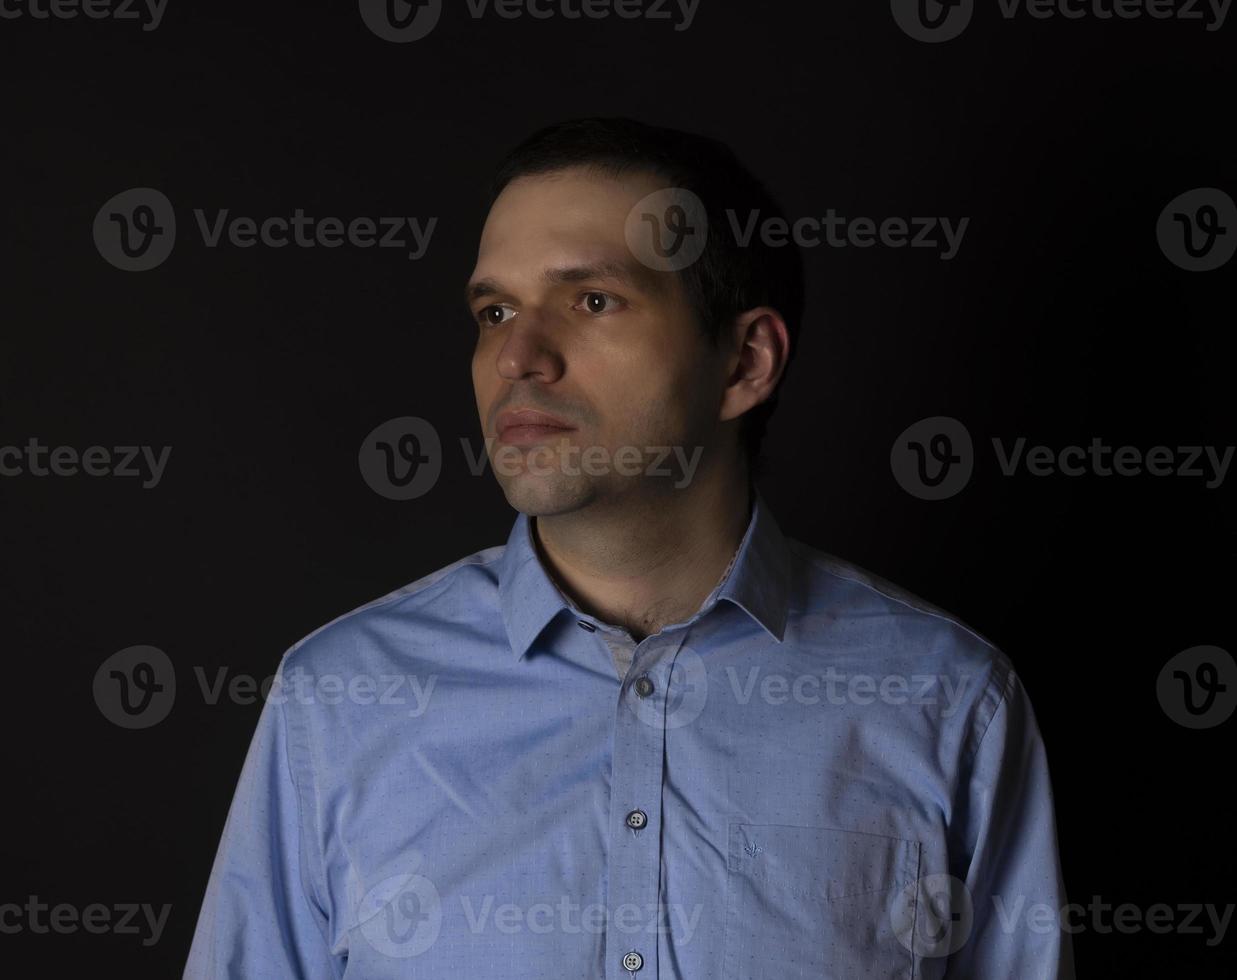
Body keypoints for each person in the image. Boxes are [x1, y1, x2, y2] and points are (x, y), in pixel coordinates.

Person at [185, 117, 1073, 979]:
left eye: (592, 301)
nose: (516, 358)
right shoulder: (339, 699)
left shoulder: (947, 699)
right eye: (494, 310)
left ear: (744, 364)